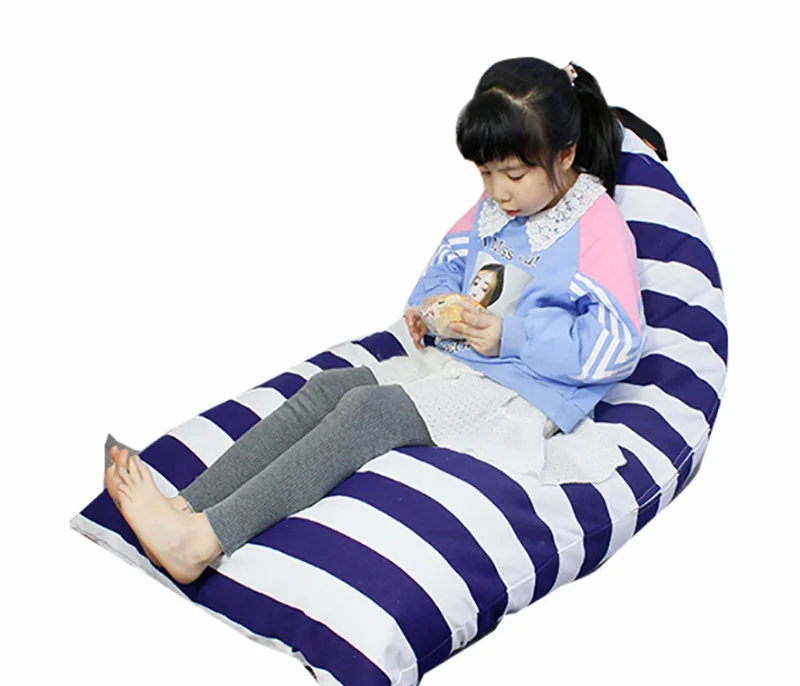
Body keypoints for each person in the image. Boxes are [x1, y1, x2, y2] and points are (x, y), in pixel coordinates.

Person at [104, 57, 645, 585]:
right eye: (485, 173)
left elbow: (617, 344)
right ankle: (186, 506)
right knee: (327, 389)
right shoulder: (496, 207)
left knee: (369, 410)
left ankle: (200, 542)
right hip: (456, 365)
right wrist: (432, 307)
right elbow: (447, 265)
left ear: (565, 154)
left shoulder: (596, 227)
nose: (498, 191)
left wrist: (513, 335)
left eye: (514, 174)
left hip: (521, 393)